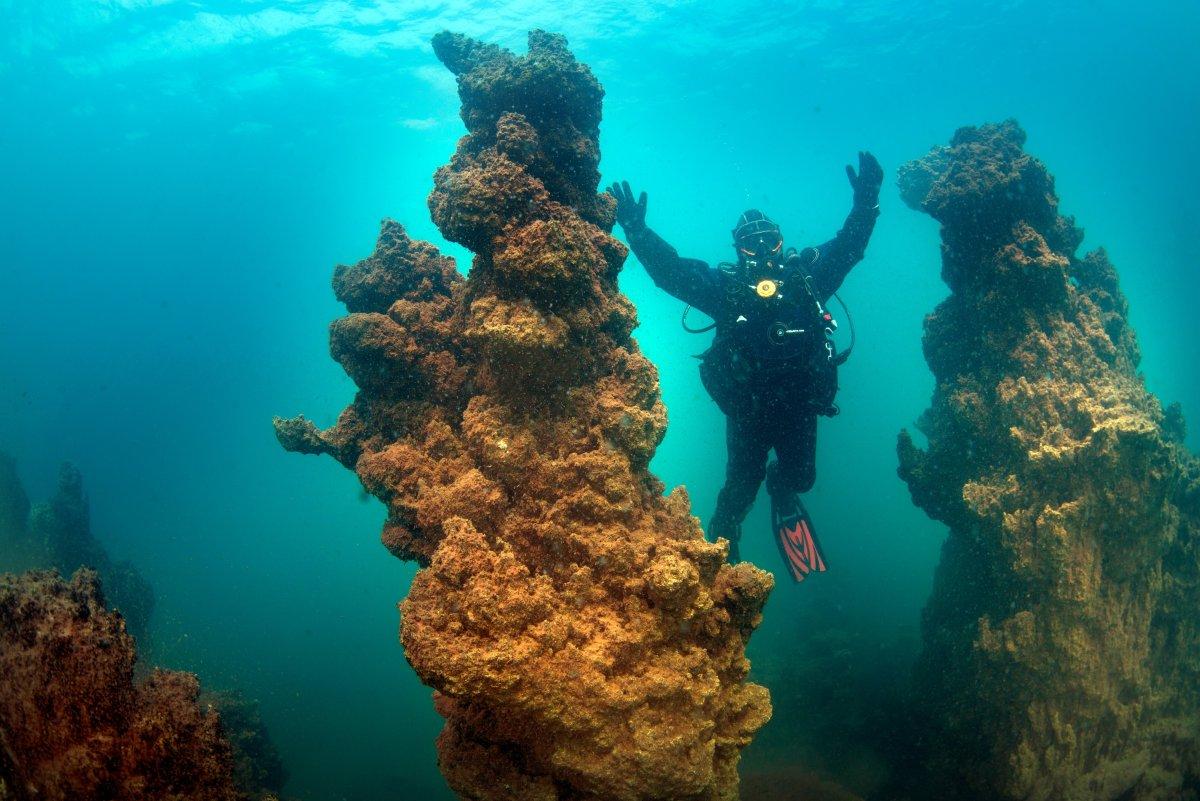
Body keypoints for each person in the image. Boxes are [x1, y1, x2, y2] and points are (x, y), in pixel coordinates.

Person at [609, 152, 882, 582]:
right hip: (749, 412)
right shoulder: (725, 290)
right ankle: (722, 539)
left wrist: (866, 206)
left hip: (798, 407)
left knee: (801, 479)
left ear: (780, 241)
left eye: (769, 240)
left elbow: (849, 248)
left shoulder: (806, 280)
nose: (761, 250)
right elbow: (671, 273)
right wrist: (638, 231)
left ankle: (781, 485)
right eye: (750, 243)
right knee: (737, 492)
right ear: (737, 248)